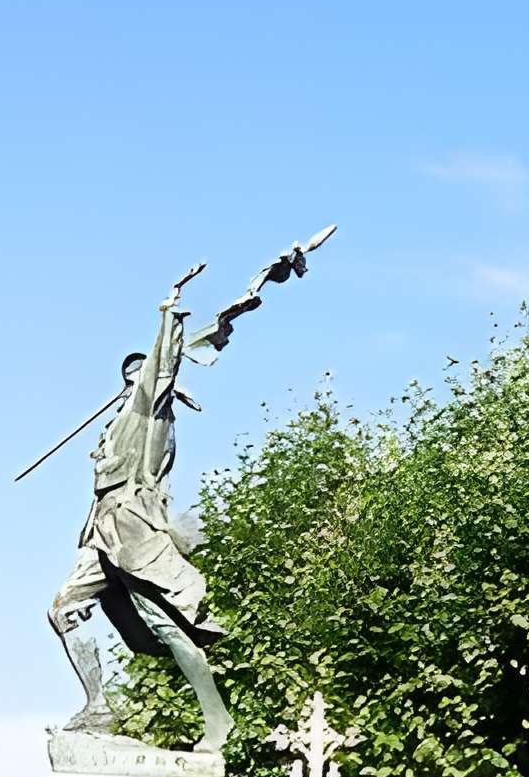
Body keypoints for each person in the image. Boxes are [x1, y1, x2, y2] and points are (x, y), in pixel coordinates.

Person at [47, 236, 322, 749]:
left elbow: (162, 367)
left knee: (168, 626)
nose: (135, 378)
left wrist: (169, 315)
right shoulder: (117, 426)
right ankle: (98, 707)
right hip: (102, 535)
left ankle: (217, 719)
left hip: (132, 534)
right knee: (63, 609)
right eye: (128, 375)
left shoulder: (148, 418)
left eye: (138, 373)